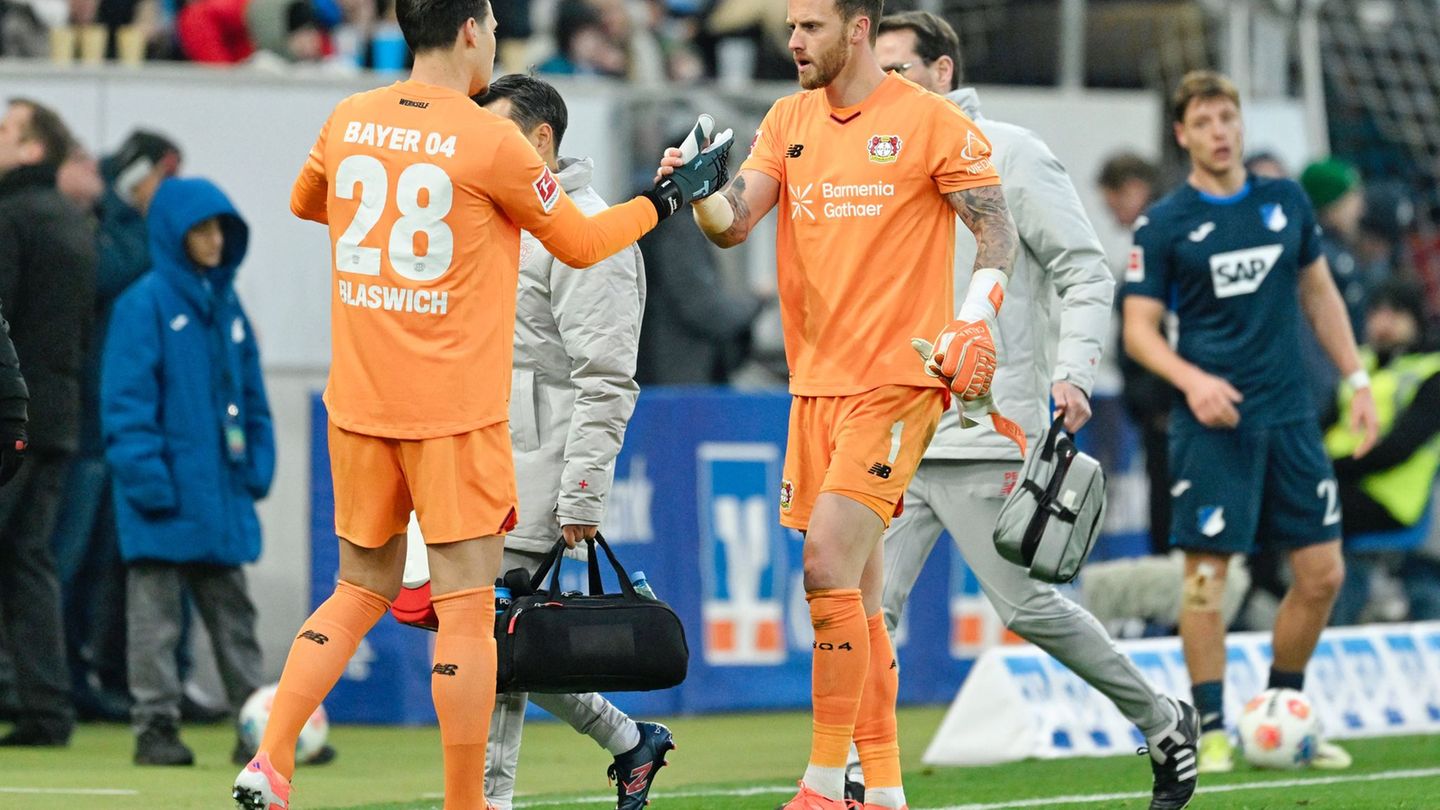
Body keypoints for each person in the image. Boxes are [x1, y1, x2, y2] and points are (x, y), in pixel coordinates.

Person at [231, 0, 728, 805]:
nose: (494, 39)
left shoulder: (350, 115)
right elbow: (582, 240)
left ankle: (271, 758)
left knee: (357, 589)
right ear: (469, 29)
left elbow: (306, 202)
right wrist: (664, 201)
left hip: (360, 399)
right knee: (469, 617)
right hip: (454, 410)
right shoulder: (490, 140)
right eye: (493, 24)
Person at [673, 1, 1021, 807]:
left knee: (824, 560)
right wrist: (698, 193)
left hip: (898, 381)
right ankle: (888, 789)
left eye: (810, 28)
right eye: (790, 27)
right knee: (858, 599)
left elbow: (994, 233)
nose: (793, 42)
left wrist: (974, 319)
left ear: (857, 27)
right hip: (815, 383)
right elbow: (735, 222)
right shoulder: (787, 118)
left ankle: (826, 784)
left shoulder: (929, 122)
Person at [865, 12, 1198, 810]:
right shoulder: (878, 167)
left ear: (944, 72)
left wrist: (1074, 373)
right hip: (897, 429)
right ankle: (861, 774)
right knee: (859, 606)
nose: (886, 89)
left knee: (1029, 608)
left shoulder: (1011, 154)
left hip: (990, 425)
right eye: (877, 74)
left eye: (900, 71)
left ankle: (1160, 720)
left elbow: (1085, 270)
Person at [1123, 70, 1380, 774]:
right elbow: (1140, 329)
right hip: (1213, 425)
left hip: (1291, 416)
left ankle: (1280, 711)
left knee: (1323, 573)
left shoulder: (1284, 201)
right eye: (1204, 122)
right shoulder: (1165, 223)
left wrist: (1356, 378)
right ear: (1183, 135)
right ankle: (1208, 725)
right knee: (1208, 579)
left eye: (1228, 118)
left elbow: (1319, 292)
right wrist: (1193, 379)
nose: (1220, 132)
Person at [474, 73, 673, 810]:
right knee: (495, 640)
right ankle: (630, 742)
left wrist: (582, 494)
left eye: (494, 133)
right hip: (480, 450)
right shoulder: (499, 215)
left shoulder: (594, 231)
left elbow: (608, 378)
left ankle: (488, 801)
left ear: (541, 140)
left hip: (540, 457)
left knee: (493, 641)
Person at [102, 176, 274, 767]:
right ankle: (155, 728)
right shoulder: (141, 305)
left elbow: (251, 394)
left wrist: (256, 465)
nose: (215, 240)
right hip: (164, 499)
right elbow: (125, 406)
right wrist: (149, 483)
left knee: (235, 619)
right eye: (201, 229)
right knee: (155, 623)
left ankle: (256, 729)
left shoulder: (226, 305)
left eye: (221, 227)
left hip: (218, 498)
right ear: (174, 236)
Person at [52, 129, 183, 724]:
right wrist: (120, 199)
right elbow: (115, 269)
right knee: (66, 562)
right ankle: (58, 679)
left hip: (109, 431)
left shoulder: (111, 221)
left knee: (102, 567)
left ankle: (84, 678)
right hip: (81, 428)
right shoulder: (100, 228)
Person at [0, 97, 95, 748]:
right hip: (59, 417)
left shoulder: (10, 218)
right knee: (29, 561)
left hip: (11, 416)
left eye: (7, 130)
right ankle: (46, 707)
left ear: (33, 149)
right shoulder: (72, 222)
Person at [1323, 282, 1440, 624]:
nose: (1383, 322)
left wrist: (1327, 469)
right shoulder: (1358, 363)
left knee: (1303, 505)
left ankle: (1332, 625)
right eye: (1377, 312)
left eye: (1396, 313)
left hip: (1390, 498)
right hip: (1340, 483)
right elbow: (1321, 424)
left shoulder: (1431, 372)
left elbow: (1398, 448)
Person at [1097, 152, 1174, 556]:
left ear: (1134, 189)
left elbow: (1169, 331)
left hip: (1173, 416)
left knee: (1172, 523)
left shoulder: (1165, 239)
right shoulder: (1151, 241)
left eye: (1114, 206)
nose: (1114, 219)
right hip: (1163, 411)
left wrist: (1163, 400)